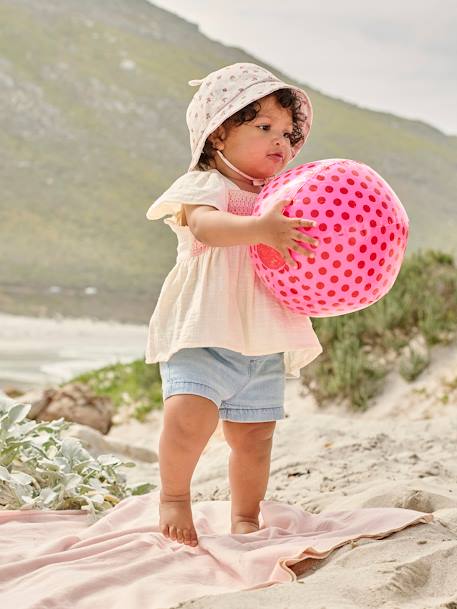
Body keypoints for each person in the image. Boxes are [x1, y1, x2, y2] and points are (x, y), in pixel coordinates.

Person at [145, 62, 323, 548]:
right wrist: (262, 228)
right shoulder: (205, 186)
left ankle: (245, 515)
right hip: (205, 330)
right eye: (264, 127)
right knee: (187, 420)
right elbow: (206, 227)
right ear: (219, 133)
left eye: (288, 134)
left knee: (255, 439)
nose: (280, 143)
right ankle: (175, 498)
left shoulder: (279, 196)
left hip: (261, 339)